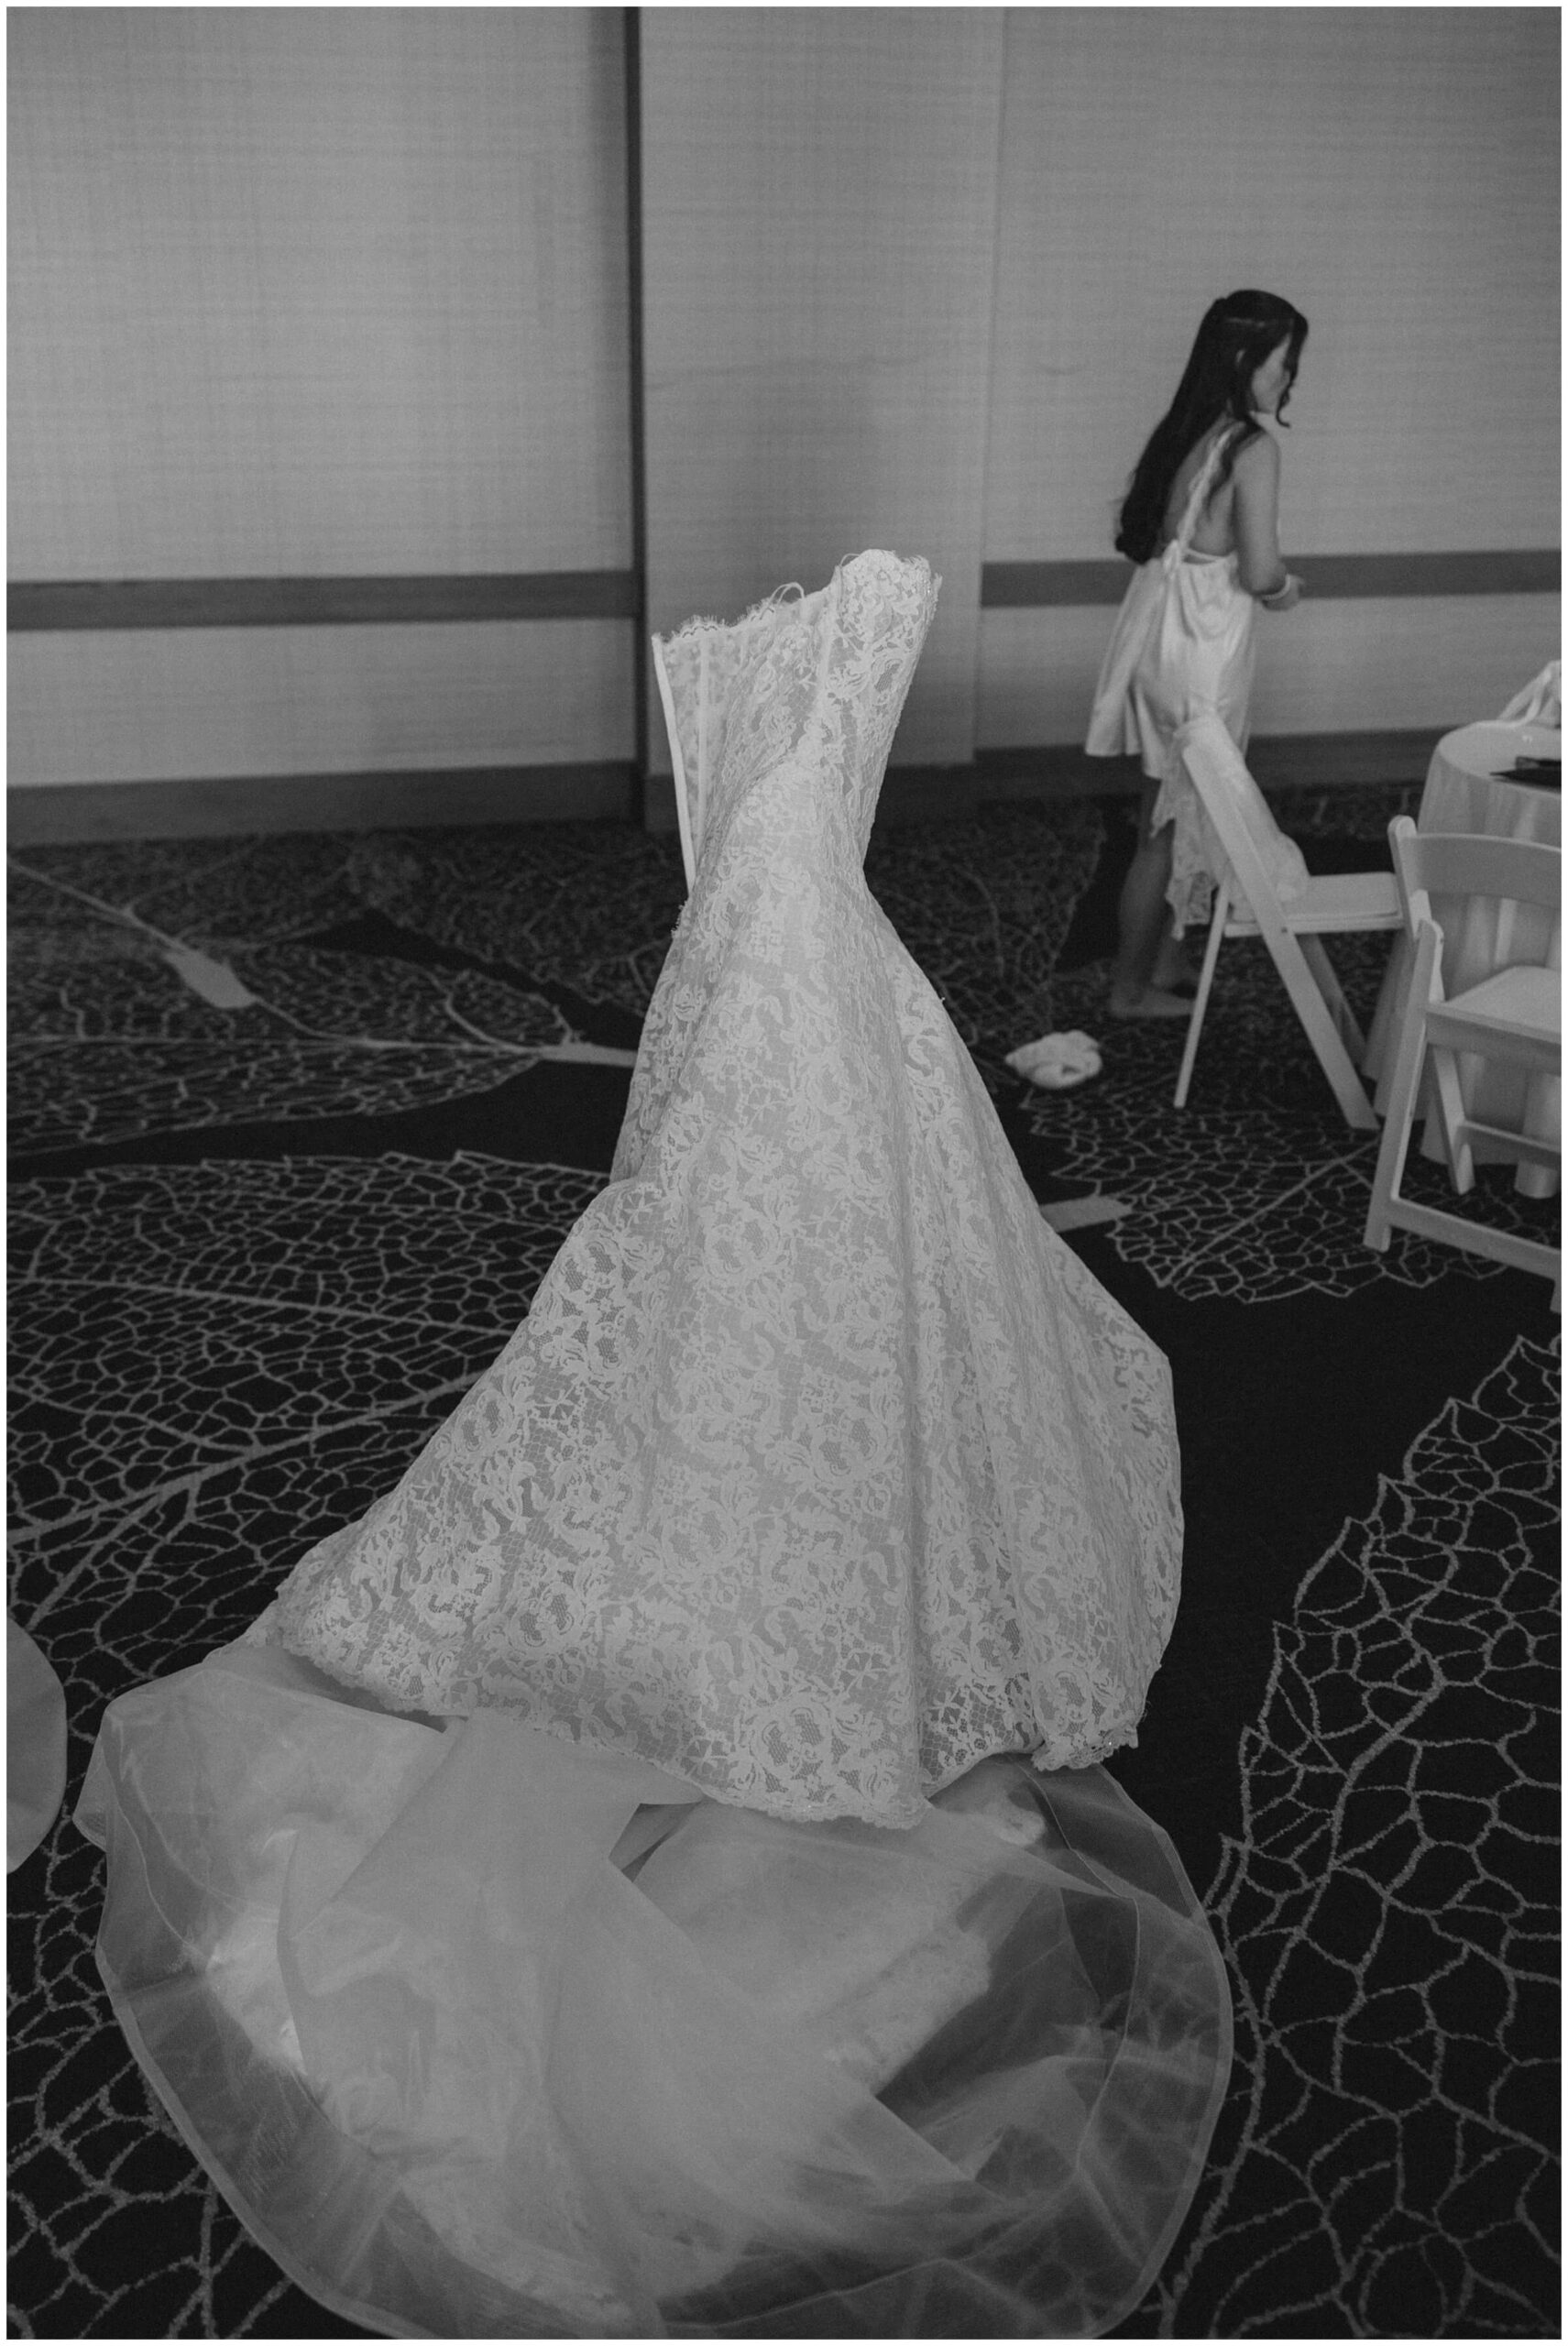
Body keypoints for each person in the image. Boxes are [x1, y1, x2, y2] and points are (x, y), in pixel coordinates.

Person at [76, 553, 1230, 2339]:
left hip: (796, 964)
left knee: (798, 1274)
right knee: (745, 1274)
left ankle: (763, 1593)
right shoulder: (790, 785)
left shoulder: (794, 798)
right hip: (778, 965)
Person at [1087, 290, 1309, 1017]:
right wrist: (1284, 592)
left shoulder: (1186, 431)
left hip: (1159, 641)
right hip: (1203, 651)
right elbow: (1258, 570)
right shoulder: (1252, 448)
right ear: (1247, 361)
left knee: (1172, 810)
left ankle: (1167, 957)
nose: (1287, 380)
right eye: (1284, 364)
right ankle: (1128, 989)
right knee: (1165, 824)